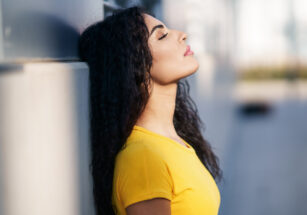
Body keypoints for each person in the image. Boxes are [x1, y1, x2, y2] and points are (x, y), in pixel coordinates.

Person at [78, 6, 222, 215]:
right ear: (134, 65)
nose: (182, 35)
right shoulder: (144, 159)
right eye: (162, 36)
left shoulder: (173, 142)